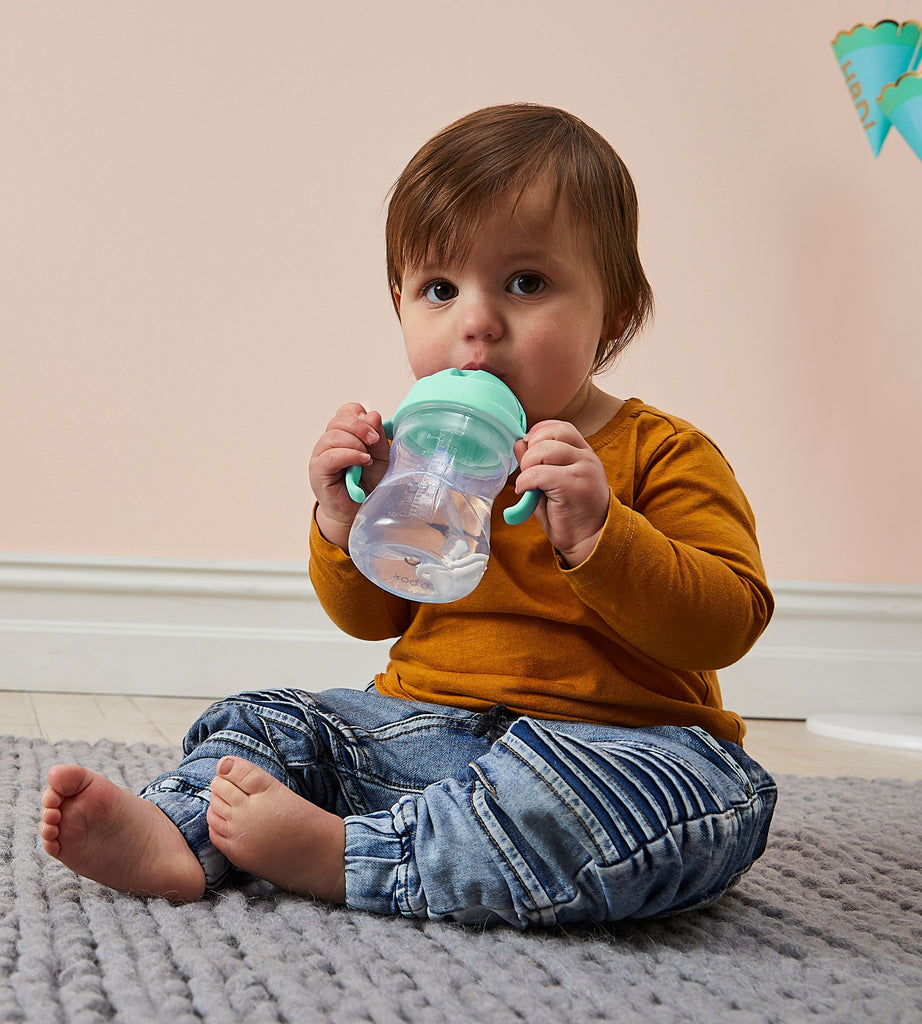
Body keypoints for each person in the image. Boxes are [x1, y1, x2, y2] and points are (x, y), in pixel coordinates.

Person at [39, 103, 777, 928]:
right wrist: (338, 515)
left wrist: (605, 534)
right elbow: (372, 615)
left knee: (693, 799)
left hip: (607, 745)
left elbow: (729, 620)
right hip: (418, 733)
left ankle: (349, 856)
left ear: (617, 311)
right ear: (400, 305)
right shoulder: (416, 454)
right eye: (438, 288)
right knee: (277, 721)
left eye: (526, 283)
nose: (477, 322)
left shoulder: (660, 451)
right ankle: (178, 830)